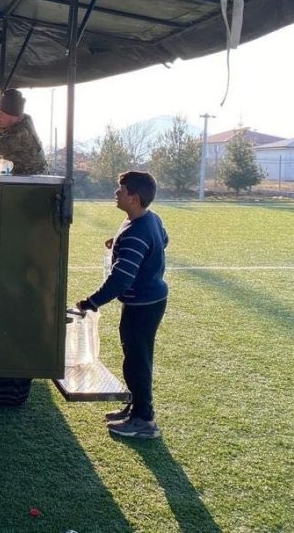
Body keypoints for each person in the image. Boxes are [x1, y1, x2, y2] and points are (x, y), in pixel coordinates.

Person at [76, 171, 168, 440]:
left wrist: (91, 302)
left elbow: (121, 279)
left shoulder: (136, 232)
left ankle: (144, 420)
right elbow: (163, 239)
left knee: (137, 361)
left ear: (134, 198)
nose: (116, 193)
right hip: (149, 300)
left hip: (143, 305)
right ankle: (136, 408)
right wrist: (117, 243)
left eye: (122, 190)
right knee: (135, 357)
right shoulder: (149, 219)